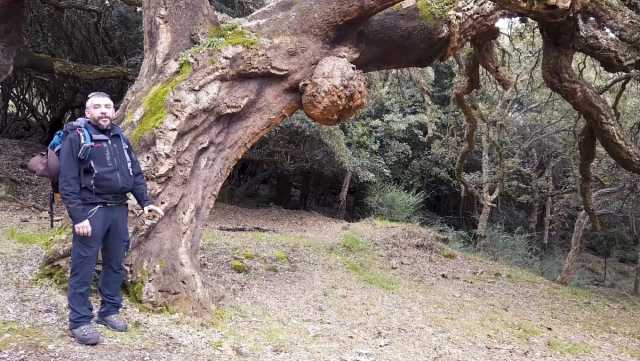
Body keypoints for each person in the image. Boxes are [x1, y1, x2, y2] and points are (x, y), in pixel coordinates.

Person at [58, 92, 164, 345]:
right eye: (97, 107)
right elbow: (68, 181)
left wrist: (146, 202)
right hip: (91, 211)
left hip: (118, 210)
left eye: (108, 107)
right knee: (83, 267)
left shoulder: (120, 137)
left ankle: (109, 311)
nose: (103, 111)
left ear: (114, 111)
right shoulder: (76, 138)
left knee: (115, 263)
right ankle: (80, 321)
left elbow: (135, 173)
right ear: (88, 112)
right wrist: (78, 216)